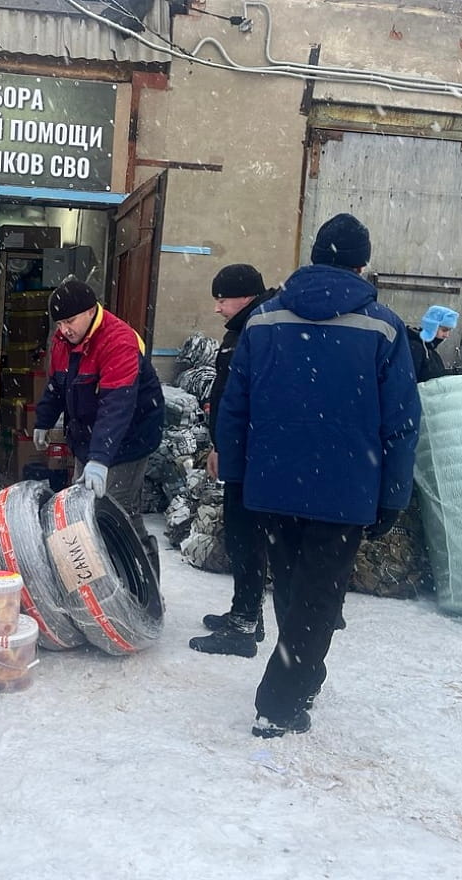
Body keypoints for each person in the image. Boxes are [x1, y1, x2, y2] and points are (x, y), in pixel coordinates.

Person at [217, 213, 420, 738]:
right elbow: (401, 423)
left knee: (291, 587)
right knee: (318, 597)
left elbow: (234, 409)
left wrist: (237, 477)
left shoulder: (262, 321)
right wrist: (392, 496)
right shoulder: (383, 326)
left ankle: (302, 676)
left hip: (273, 485)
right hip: (346, 488)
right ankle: (279, 703)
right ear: (361, 263)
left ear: (314, 255)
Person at [32, 278, 164, 573]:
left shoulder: (118, 340)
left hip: (130, 436)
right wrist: (43, 420)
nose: (64, 329)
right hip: (88, 435)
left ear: (91, 311)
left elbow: (117, 407)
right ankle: (92, 581)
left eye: (70, 320)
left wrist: (100, 459)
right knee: (82, 508)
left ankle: (141, 585)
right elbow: (57, 385)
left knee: (114, 513)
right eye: (59, 323)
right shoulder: (63, 340)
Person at [189, 264, 273, 657]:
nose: (218, 308)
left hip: (252, 454)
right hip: (240, 449)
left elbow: (247, 399)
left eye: (222, 299)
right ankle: (246, 615)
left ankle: (243, 625)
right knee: (242, 536)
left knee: (246, 535)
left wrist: (228, 445)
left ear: (245, 295)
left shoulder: (259, 330)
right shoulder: (245, 329)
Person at [406, 305, 458, 383]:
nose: (447, 335)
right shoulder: (416, 348)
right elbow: (409, 381)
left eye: (449, 331)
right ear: (432, 326)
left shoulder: (431, 351)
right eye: (444, 330)